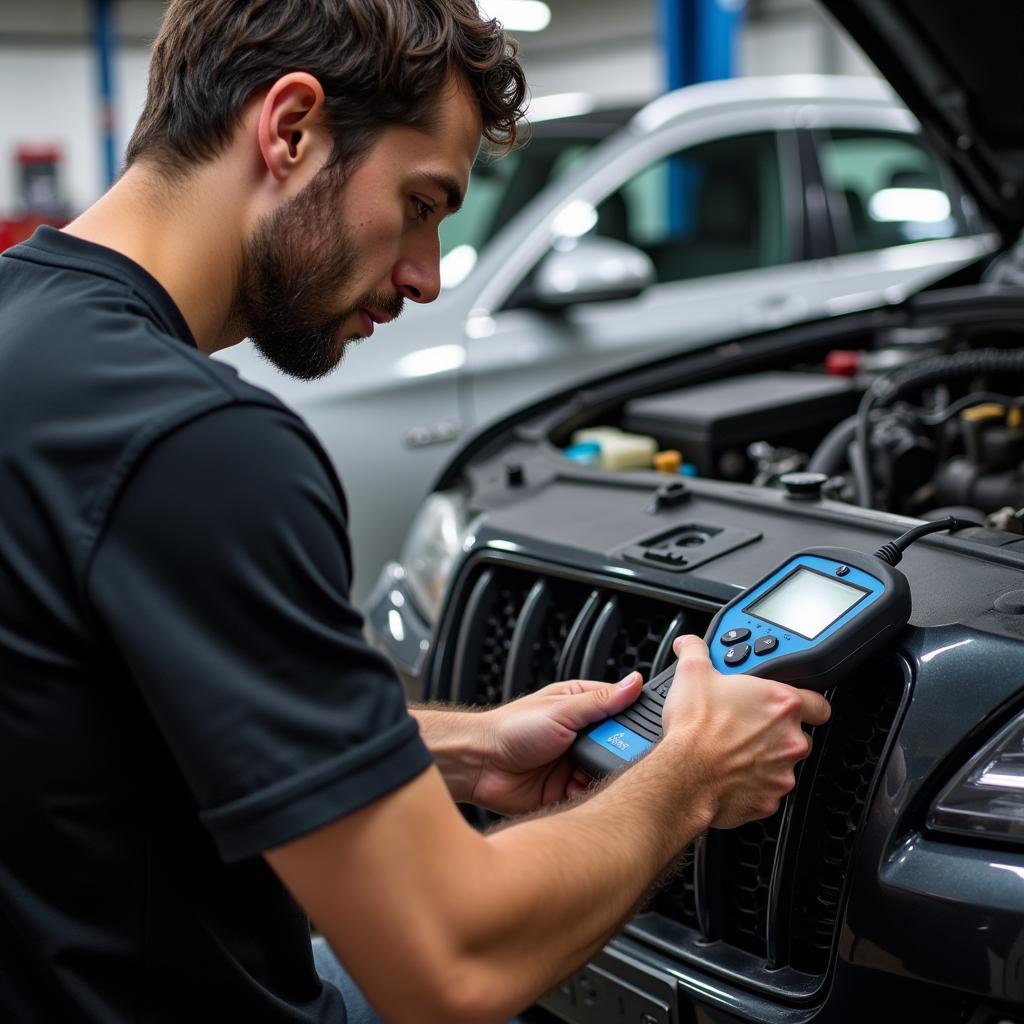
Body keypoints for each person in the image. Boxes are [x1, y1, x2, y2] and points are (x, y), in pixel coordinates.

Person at [0, 1, 830, 1022]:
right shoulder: (197, 444)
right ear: (290, 129)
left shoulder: (27, 338)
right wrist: (690, 778)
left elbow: (88, 724)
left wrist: (457, 750)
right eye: (422, 202)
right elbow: (447, 964)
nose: (427, 277)